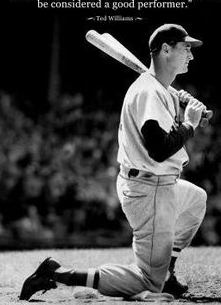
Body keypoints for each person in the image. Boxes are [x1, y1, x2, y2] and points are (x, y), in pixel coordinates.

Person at [19, 23, 208, 301]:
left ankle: (166, 272)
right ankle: (58, 274)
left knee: (195, 200)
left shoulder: (159, 89)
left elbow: (164, 130)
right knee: (148, 281)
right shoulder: (149, 91)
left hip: (155, 184)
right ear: (166, 50)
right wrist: (189, 125)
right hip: (150, 190)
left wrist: (185, 108)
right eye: (186, 48)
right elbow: (158, 149)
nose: (191, 55)